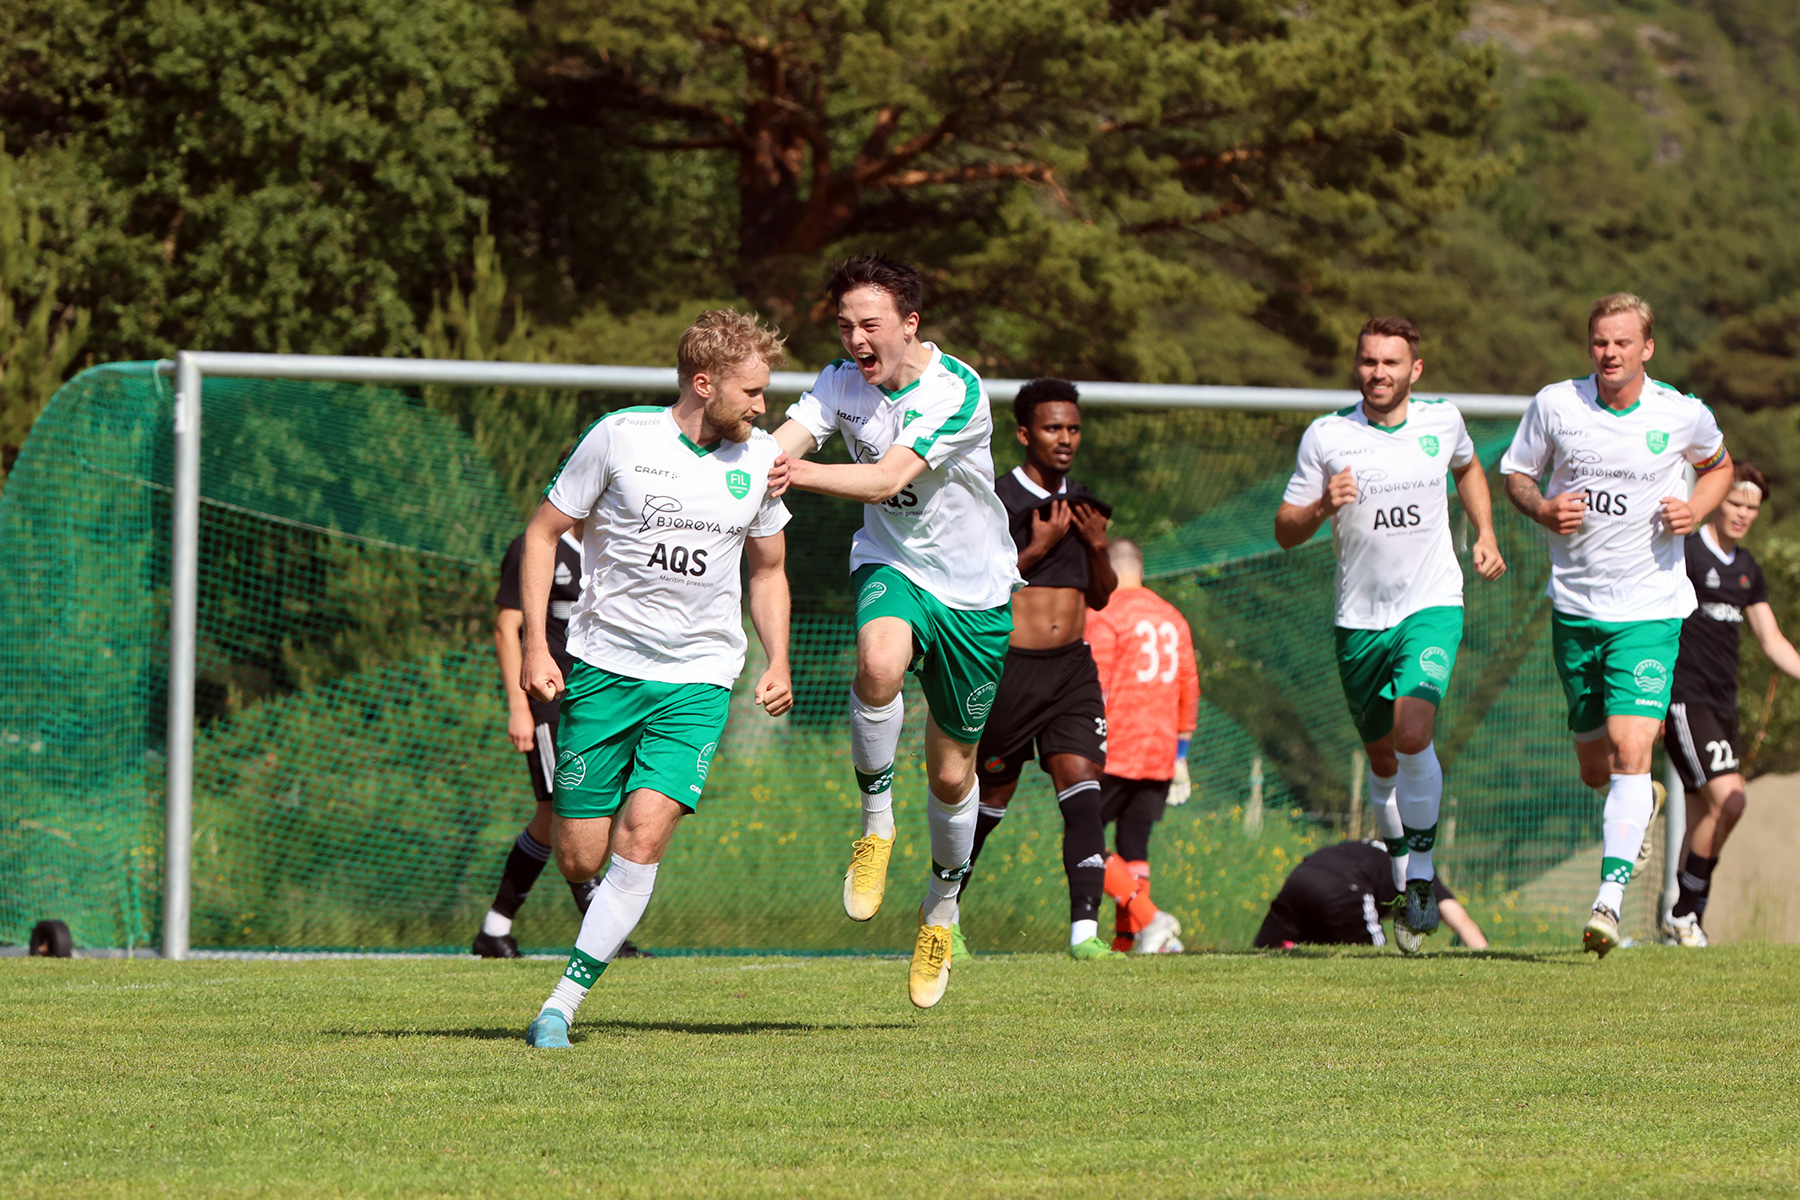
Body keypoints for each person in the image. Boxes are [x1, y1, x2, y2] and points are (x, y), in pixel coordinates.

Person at [520, 310, 794, 1049]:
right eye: (753, 391)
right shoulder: (619, 438)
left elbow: (768, 572)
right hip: (606, 672)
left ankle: (561, 1004)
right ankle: (576, 952)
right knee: (580, 855)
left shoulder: (761, 459)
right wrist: (532, 653)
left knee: (641, 841)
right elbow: (544, 533)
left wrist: (778, 660)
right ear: (703, 384)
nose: (763, 407)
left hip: (700, 679)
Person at [771, 254, 1020, 1009]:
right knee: (878, 664)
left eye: (869, 324)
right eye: (844, 325)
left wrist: (795, 477)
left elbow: (884, 479)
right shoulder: (839, 381)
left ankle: (941, 907)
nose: (855, 339)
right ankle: (874, 826)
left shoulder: (957, 391)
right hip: (893, 564)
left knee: (951, 776)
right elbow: (784, 442)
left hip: (974, 597)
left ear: (910, 325)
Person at [1500, 292, 1733, 958]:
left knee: (1634, 752)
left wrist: (1696, 510)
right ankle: (1639, 803)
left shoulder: (1681, 413)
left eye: (1622, 343)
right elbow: (1515, 472)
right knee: (1596, 770)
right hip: (1575, 610)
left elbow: (1719, 467)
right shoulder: (1556, 405)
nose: (1609, 354)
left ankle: (1608, 900)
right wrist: (1543, 509)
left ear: (1647, 348)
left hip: (1650, 612)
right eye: (1600, 342)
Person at [1274, 316, 1505, 950]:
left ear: (1415, 370)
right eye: (1369, 361)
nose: (1379, 373)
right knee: (1383, 763)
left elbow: (1469, 469)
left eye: (1391, 363)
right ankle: (1404, 875)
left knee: (1412, 732)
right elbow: (1285, 529)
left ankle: (1424, 877)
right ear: (1358, 366)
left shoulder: (1443, 421)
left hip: (1432, 605)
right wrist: (1324, 505)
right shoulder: (1327, 436)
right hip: (1359, 623)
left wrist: (1484, 533)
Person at [958, 379, 1121, 960]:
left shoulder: (1085, 503)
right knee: (987, 803)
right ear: (1025, 434)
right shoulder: (995, 499)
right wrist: (1036, 547)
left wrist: (1096, 546)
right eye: (1054, 428)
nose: (1066, 439)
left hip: (1073, 672)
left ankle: (1084, 934)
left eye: (1073, 428)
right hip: (1011, 671)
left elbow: (1100, 597)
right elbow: (977, 586)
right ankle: (944, 912)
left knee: (1082, 789)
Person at [1662, 462, 1800, 946]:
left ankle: (1683, 921)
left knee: (1707, 814)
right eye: (1736, 501)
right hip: (1684, 700)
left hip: (1724, 706)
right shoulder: (1686, 552)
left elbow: (1772, 639)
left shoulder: (1746, 570)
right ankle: (1684, 913)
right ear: (1717, 497)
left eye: (1752, 507)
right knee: (1732, 799)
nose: (1742, 513)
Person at [471, 525, 621, 958]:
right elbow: (507, 627)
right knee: (566, 812)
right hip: (551, 702)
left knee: (556, 819)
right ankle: (606, 936)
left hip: (602, 701)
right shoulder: (533, 545)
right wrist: (520, 707)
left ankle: (494, 930)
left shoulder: (613, 538)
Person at [1085, 538, 1199, 954]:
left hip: (1115, 745)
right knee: (1135, 845)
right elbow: (1189, 684)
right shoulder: (1173, 617)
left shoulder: (1107, 614)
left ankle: (1150, 919)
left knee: (1085, 837)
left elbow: (1096, 683)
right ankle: (1127, 941)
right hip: (1160, 750)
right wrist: (1180, 754)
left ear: (1108, 572)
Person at [1252, 840, 1488, 952]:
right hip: (1345, 888)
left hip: (1299, 878)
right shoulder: (1415, 867)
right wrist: (1483, 954)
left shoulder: (1367, 848)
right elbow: (1460, 920)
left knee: (1265, 954)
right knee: (1378, 966)